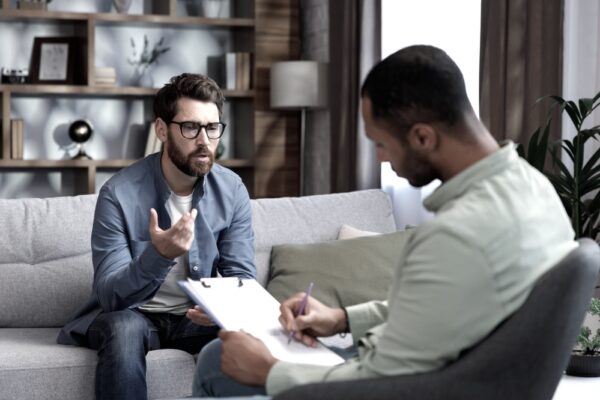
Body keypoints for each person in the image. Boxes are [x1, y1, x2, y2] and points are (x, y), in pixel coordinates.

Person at [190, 45, 577, 398]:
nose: (379, 159)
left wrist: (269, 371)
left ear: (423, 137)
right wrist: (340, 319)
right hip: (458, 369)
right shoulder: (535, 190)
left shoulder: (458, 234)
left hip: (413, 385)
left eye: (380, 143)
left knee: (215, 361)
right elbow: (441, 308)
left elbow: (382, 382)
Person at [56, 73, 256, 400]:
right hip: (135, 315)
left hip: (193, 318)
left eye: (212, 128)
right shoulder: (118, 193)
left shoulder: (231, 189)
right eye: (191, 127)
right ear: (162, 130)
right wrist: (159, 255)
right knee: (123, 327)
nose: (204, 140)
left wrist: (223, 308)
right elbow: (110, 296)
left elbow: (241, 278)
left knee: (249, 332)